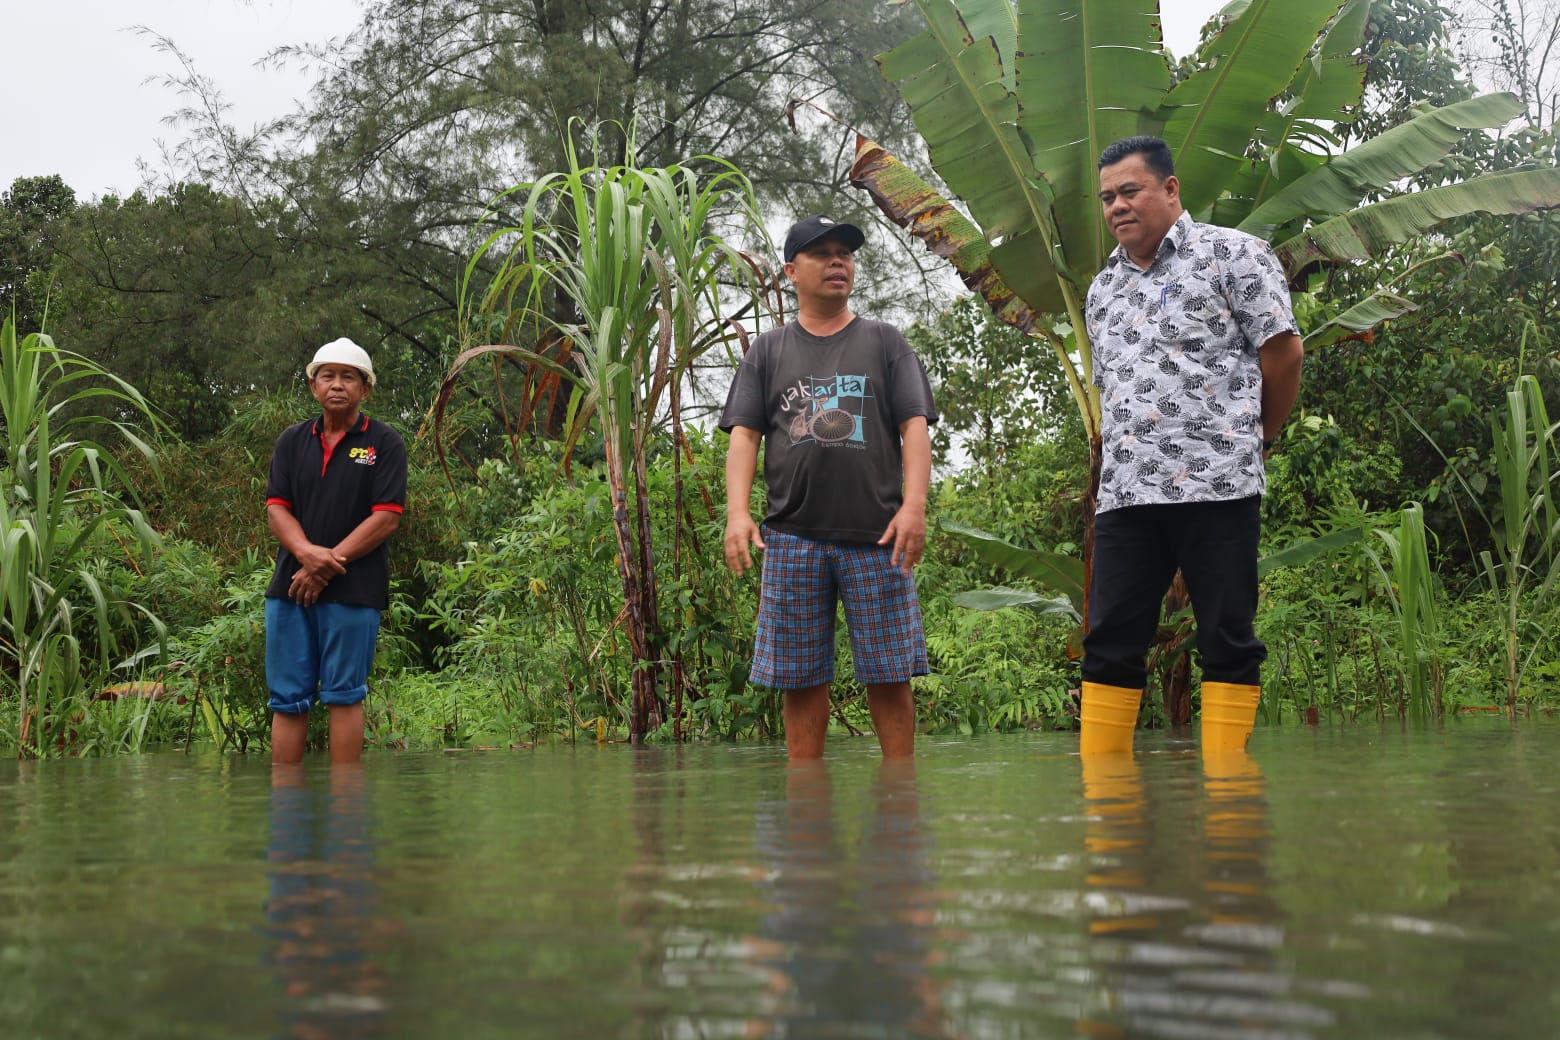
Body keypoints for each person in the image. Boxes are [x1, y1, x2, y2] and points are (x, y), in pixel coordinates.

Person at [1080, 136, 1304, 756]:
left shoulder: (1235, 255)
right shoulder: (1103, 291)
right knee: (1110, 640)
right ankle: (1106, 807)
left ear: (1171, 189)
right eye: (1107, 198)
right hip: (1126, 493)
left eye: (1130, 191)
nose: (1117, 206)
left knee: (1227, 635)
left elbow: (1283, 353)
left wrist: (1262, 436)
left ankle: (1229, 799)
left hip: (1219, 483)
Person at [720, 214, 938, 760]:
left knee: (889, 673)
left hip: (878, 533)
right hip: (792, 536)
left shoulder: (884, 341)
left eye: (845, 252)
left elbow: (915, 426)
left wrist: (914, 506)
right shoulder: (767, 351)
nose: (837, 261)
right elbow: (744, 436)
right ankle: (806, 804)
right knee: (800, 676)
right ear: (792, 271)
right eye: (822, 254)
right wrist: (737, 514)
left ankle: (899, 795)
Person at [264, 337, 407, 764]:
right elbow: (277, 508)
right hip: (290, 588)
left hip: (354, 589)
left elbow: (386, 517)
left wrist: (324, 566)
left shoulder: (384, 443)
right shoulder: (291, 441)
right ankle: (287, 806)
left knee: (344, 694)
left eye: (349, 376)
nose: (337, 384)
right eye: (327, 375)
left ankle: (345, 808)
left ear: (366, 389)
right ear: (313, 386)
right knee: (287, 697)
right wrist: (307, 554)